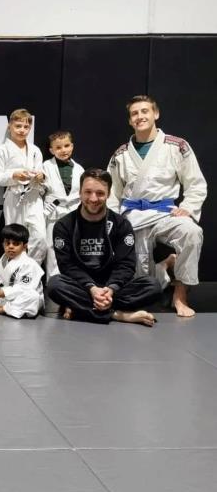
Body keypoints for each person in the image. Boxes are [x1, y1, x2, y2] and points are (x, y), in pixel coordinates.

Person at [107, 95, 207, 317]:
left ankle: (180, 294)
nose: (140, 116)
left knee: (192, 233)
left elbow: (196, 183)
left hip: (165, 214)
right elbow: (112, 192)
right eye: (134, 113)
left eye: (145, 111)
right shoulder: (121, 154)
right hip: (133, 215)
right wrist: (114, 219)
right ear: (130, 120)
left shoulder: (177, 146)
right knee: (144, 278)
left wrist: (188, 207)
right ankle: (162, 269)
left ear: (156, 114)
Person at [48, 168, 162, 326]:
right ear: (80, 193)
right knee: (55, 285)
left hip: (112, 287)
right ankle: (118, 314)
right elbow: (67, 266)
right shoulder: (64, 225)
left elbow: (126, 265)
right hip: (82, 286)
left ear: (108, 194)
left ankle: (81, 308)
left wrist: (111, 289)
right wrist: (92, 288)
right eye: (88, 192)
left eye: (100, 193)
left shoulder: (121, 224)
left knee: (153, 286)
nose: (93, 198)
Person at [0, 108, 47, 265]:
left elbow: (41, 171)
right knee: (14, 239)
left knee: (40, 237)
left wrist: (41, 176)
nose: (22, 130)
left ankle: (32, 270)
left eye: (26, 127)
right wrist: (14, 175)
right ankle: (15, 271)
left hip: (34, 197)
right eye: (18, 126)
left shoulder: (35, 150)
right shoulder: (2, 150)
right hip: (14, 197)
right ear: (9, 126)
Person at [42, 130, 84, 279]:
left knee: (73, 245)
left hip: (74, 210)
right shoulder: (46, 166)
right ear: (51, 150)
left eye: (66, 146)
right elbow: (41, 189)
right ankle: (53, 281)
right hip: (54, 211)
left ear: (72, 146)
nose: (63, 150)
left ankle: (73, 280)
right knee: (52, 246)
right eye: (58, 147)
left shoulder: (79, 169)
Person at [0, 223, 43, 318]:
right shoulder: (2, 260)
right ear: (3, 244)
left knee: (33, 297)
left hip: (22, 297)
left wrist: (1, 293)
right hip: (6, 297)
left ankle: (1, 309)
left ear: (24, 246)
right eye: (7, 243)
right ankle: (6, 307)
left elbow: (24, 289)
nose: (11, 246)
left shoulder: (29, 264)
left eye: (16, 244)